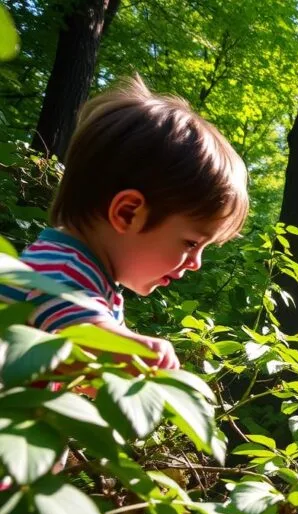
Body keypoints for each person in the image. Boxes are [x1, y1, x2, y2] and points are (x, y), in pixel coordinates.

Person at [0, 74, 249, 371]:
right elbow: (85, 336)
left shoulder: (87, 275)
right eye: (191, 242)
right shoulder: (60, 269)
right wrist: (139, 353)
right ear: (127, 213)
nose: (196, 262)